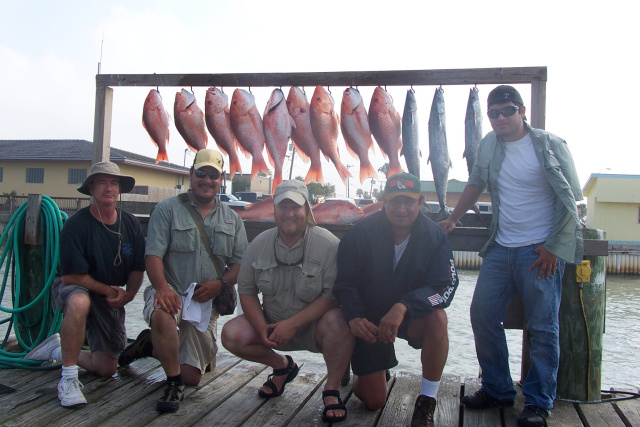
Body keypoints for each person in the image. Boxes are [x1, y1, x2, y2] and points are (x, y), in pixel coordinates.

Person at [438, 85, 583, 427]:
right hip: (501, 248)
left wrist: (554, 248)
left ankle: (537, 402)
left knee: (543, 327)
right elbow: (475, 183)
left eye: (507, 111)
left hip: (541, 251)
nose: (501, 118)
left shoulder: (552, 144)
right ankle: (498, 388)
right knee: (482, 314)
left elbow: (575, 202)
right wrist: (454, 217)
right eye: (494, 113)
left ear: (522, 111)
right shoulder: (488, 144)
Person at [118, 149, 247, 413]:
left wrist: (220, 285)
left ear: (221, 178)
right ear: (191, 175)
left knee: (193, 377)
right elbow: (152, 254)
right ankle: (173, 384)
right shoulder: (166, 210)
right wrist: (162, 289)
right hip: (171, 290)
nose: (206, 179)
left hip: (204, 301)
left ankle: (151, 345)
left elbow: (239, 264)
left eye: (213, 174)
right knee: (163, 315)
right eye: (201, 173)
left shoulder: (233, 219)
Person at [221, 180, 353, 423]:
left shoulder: (329, 244)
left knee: (340, 321)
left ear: (307, 210)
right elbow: (247, 292)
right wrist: (261, 327)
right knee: (230, 334)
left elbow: (333, 296)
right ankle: (282, 366)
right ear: (274, 210)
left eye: (296, 207)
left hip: (314, 328)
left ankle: (331, 389)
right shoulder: (258, 244)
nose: (289, 213)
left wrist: (293, 324)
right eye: (282, 207)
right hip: (271, 326)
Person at [333, 172, 459, 427]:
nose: (402, 209)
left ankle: (427, 401)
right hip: (368, 323)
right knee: (374, 401)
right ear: (384, 202)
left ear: (421, 203)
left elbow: (446, 286)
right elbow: (344, 283)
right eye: (394, 201)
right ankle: (368, 372)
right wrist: (355, 317)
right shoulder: (359, 234)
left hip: (408, 318)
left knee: (438, 319)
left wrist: (405, 305)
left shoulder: (435, 237)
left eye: (409, 201)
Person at [25, 161, 146, 408]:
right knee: (79, 301)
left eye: (114, 183)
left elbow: (137, 268)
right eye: (101, 182)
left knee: (106, 368)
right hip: (73, 286)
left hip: (107, 293)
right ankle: (68, 379)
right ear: (90, 188)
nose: (108, 188)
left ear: (120, 189)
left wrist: (129, 294)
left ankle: (57, 351)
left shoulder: (131, 224)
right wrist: (111, 291)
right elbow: (72, 277)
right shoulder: (75, 225)